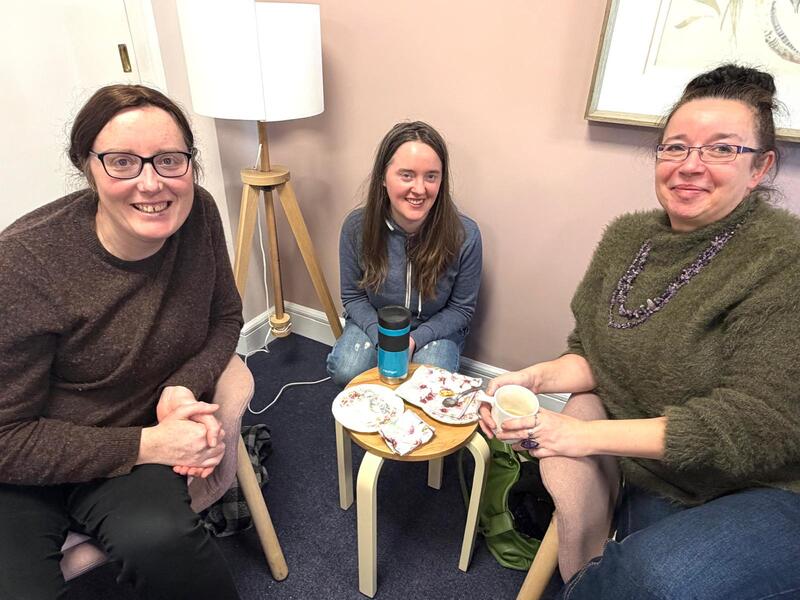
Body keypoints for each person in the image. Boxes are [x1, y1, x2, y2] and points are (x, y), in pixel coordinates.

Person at [480, 64, 800, 599]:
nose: (690, 165)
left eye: (722, 149)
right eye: (675, 147)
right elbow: (592, 356)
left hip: (770, 485)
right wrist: (533, 379)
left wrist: (580, 436)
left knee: (649, 580)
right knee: (631, 573)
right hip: (660, 472)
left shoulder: (783, 259)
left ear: (760, 167)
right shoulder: (626, 238)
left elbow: (755, 424)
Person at [0, 84, 243, 599]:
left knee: (165, 542)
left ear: (191, 164)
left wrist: (182, 386)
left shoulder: (198, 214)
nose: (151, 183)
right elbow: (7, 438)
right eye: (123, 162)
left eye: (169, 160)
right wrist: (151, 444)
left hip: (130, 448)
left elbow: (226, 317)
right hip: (26, 462)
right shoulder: (22, 265)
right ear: (87, 167)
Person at [326, 121, 482, 386]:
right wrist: (385, 338)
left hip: (435, 327)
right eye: (407, 175)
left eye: (431, 176)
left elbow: (461, 309)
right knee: (346, 370)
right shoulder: (356, 227)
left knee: (427, 385)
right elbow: (353, 296)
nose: (419, 189)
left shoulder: (465, 234)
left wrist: (414, 340)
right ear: (383, 178)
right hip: (376, 321)